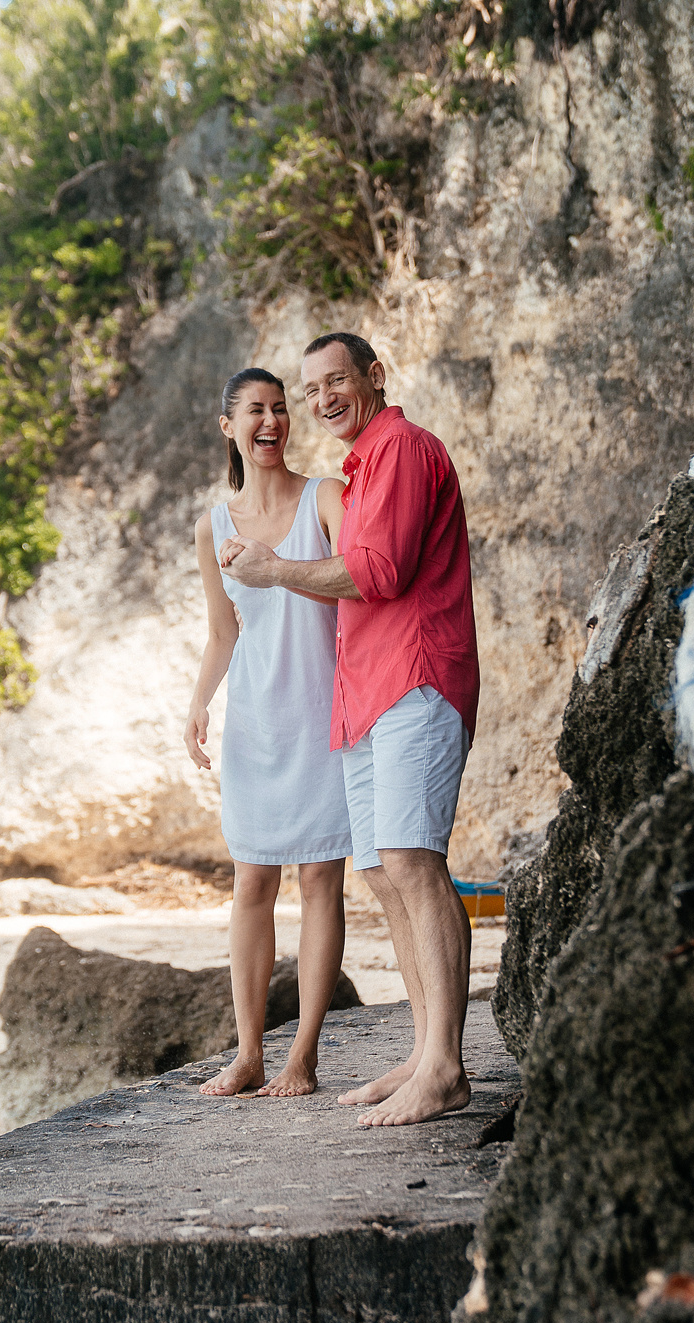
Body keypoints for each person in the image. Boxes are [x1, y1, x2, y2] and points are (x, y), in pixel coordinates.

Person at [220, 332, 480, 1127]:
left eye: (338, 381)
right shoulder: (362, 467)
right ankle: (424, 1047)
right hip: (366, 696)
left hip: (416, 678)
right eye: (311, 389)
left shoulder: (399, 448)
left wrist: (274, 570)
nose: (323, 398)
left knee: (411, 859)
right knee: (381, 869)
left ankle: (444, 1065)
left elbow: (377, 574)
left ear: (375, 376)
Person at [186, 367, 356, 1098]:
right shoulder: (212, 524)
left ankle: (304, 1056)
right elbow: (223, 632)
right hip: (255, 719)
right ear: (228, 425)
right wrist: (197, 704)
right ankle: (249, 1052)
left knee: (321, 878)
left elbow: (359, 579)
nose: (273, 420)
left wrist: (276, 567)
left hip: (324, 710)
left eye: (281, 409)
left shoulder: (324, 497)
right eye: (256, 409)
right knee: (251, 878)